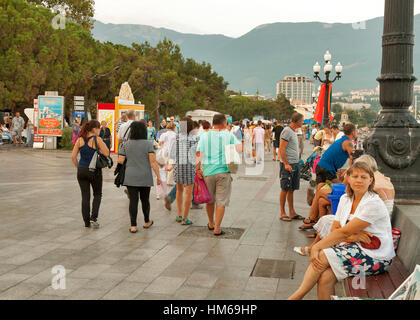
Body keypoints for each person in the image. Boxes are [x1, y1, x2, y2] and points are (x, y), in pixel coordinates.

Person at [288, 161, 395, 300]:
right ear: (348, 178)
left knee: (322, 255)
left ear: (371, 180)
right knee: (325, 278)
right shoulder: (345, 199)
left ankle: (296, 297)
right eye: (355, 176)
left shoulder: (373, 203)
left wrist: (316, 247)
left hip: (376, 256)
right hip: (355, 246)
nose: (359, 180)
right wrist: (354, 237)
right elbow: (336, 229)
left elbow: (342, 232)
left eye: (364, 177)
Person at [295, 154, 396, 256]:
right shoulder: (381, 178)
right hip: (365, 218)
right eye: (356, 174)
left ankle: (315, 243)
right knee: (324, 207)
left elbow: (347, 192)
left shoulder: (371, 185)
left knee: (324, 203)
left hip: (370, 226)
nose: (359, 177)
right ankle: (316, 245)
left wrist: (349, 175)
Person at [196, 113, 242, 236]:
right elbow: (239, 149)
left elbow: (199, 153)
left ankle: (210, 223)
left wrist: (198, 169)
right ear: (223, 123)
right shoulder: (228, 135)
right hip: (223, 172)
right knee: (221, 201)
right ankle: (217, 228)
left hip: (207, 172)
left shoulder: (204, 136)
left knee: (210, 200)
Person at [117, 121, 162, 233]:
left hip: (130, 176)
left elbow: (120, 160)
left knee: (133, 201)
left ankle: (133, 226)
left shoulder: (125, 144)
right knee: (145, 200)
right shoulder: (148, 144)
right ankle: (147, 221)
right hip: (145, 176)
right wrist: (158, 177)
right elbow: (152, 162)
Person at [71, 120, 110, 228]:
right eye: (98, 128)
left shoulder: (80, 140)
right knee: (97, 194)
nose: (99, 130)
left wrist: (78, 167)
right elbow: (106, 153)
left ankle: (86, 222)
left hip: (82, 170)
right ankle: (94, 217)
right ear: (94, 129)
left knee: (85, 196)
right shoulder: (97, 139)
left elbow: (73, 157)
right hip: (94, 171)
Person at [168, 117, 198, 225]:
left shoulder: (176, 138)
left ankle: (179, 215)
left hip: (178, 167)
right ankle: (185, 218)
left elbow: (171, 154)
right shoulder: (195, 139)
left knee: (179, 191)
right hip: (190, 168)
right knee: (188, 193)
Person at [279, 113, 305, 221]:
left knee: (292, 189)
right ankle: (282, 213)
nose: (303, 122)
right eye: (302, 121)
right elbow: (281, 148)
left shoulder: (294, 131)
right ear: (298, 121)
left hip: (295, 163)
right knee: (285, 188)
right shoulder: (287, 131)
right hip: (288, 164)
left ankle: (292, 212)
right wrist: (286, 164)